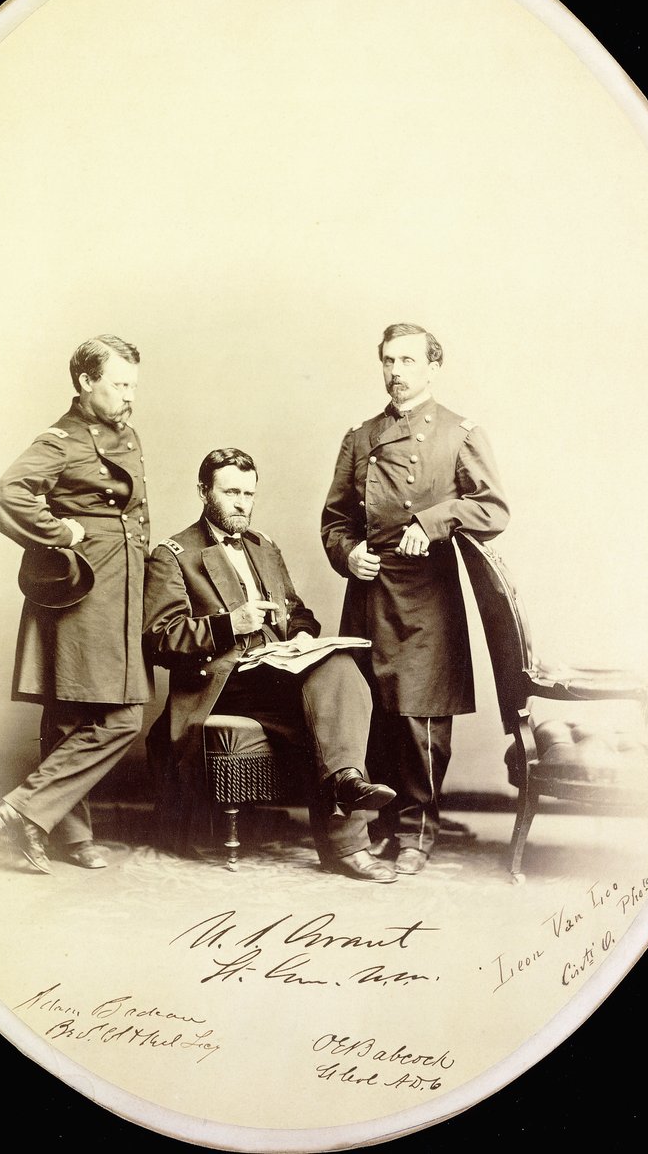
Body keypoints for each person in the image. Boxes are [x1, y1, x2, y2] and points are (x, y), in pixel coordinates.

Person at [143, 448, 398, 882]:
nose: (242, 503)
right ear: (204, 492)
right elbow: (160, 639)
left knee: (335, 670)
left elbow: (298, 612)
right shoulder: (174, 554)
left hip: (277, 671)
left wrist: (300, 635)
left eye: (249, 493)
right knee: (332, 695)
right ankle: (348, 838)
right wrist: (229, 625)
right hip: (223, 681)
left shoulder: (265, 548)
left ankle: (347, 786)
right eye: (231, 492)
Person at [321, 323, 510, 875]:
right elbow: (335, 521)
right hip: (370, 588)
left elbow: (493, 509)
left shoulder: (460, 432)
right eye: (388, 361)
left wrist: (432, 521)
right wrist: (349, 553)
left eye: (407, 360)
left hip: (427, 593)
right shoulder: (360, 437)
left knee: (421, 718)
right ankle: (378, 826)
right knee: (371, 713)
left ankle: (416, 833)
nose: (396, 372)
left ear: (433, 365)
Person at [0, 334, 150, 873]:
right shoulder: (62, 439)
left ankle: (49, 825)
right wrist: (59, 532)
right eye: (119, 384)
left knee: (80, 715)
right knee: (98, 715)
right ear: (85, 383)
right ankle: (35, 815)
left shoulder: (123, 433)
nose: (130, 395)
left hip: (117, 588)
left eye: (133, 384)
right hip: (82, 589)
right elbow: (9, 494)